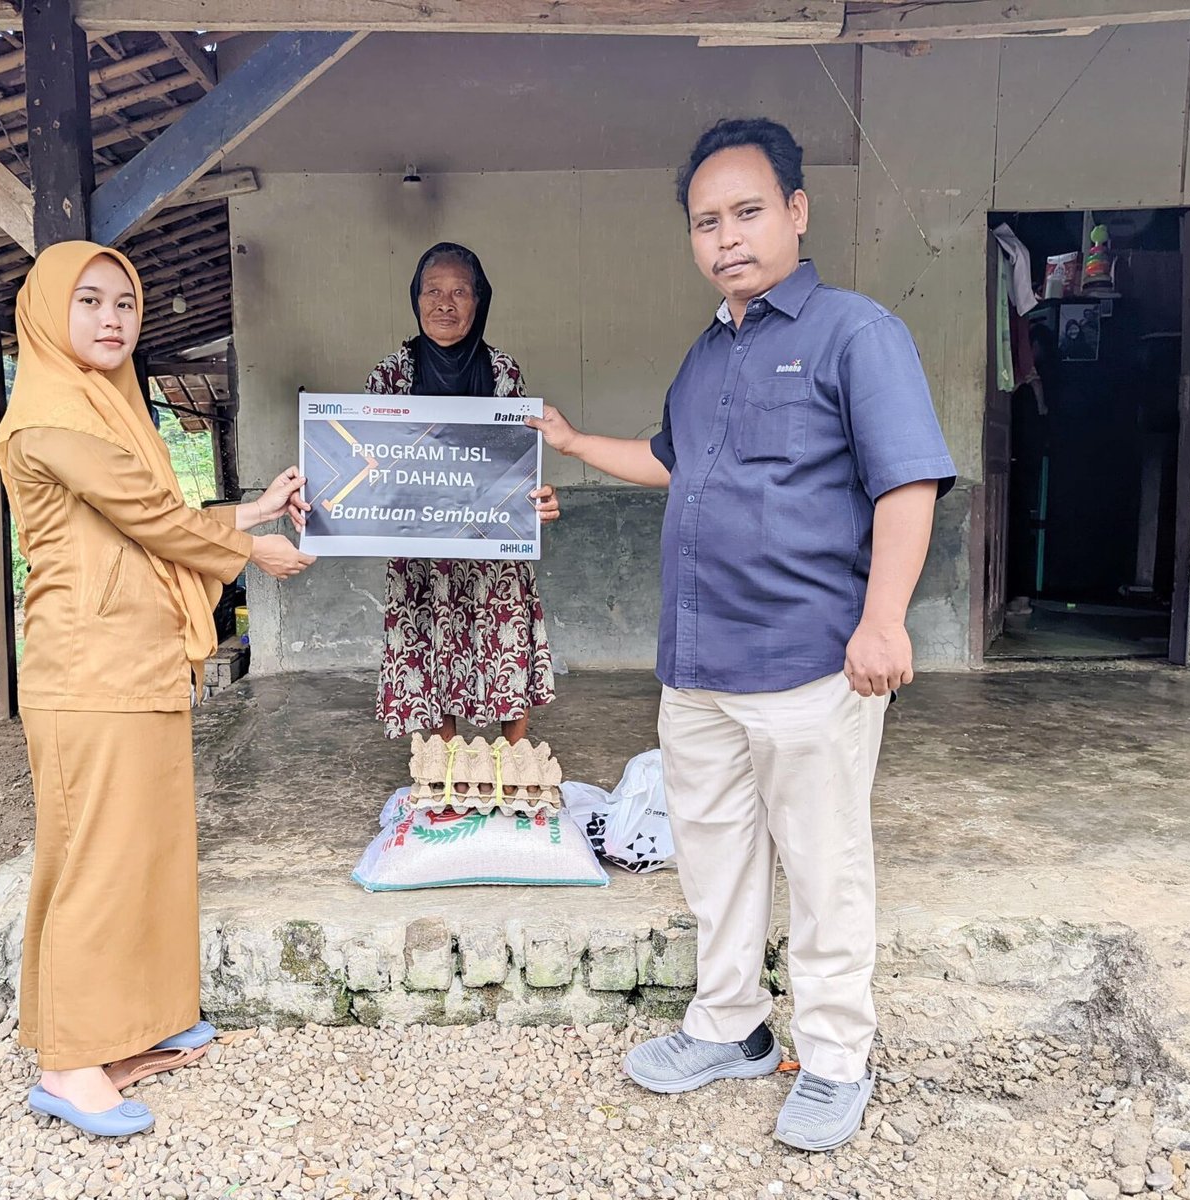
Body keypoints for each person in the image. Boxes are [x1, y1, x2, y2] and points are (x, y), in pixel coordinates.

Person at [529, 118, 955, 1152]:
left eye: (748, 212)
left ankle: (836, 1055)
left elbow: (906, 480)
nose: (726, 237)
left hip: (808, 662)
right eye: (705, 221)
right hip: (699, 668)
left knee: (823, 864)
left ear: (797, 213)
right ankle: (731, 1027)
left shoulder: (857, 333)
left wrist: (883, 620)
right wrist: (573, 442)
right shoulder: (706, 353)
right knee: (714, 858)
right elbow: (672, 459)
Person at [0, 241, 314, 1137]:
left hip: (138, 663)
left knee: (144, 852)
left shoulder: (108, 407)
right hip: (87, 671)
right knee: (95, 861)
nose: (112, 319)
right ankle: (67, 1064)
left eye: (125, 303)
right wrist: (251, 548)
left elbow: (145, 519)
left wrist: (248, 512)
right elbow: (149, 515)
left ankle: (127, 1029)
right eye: (90, 301)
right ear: (48, 312)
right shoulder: (54, 415)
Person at [366, 241, 561, 744]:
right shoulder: (391, 375)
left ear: (480, 301)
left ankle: (513, 760)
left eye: (460, 292)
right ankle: (445, 763)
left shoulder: (502, 372)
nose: (445, 304)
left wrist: (535, 496)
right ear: (416, 298)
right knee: (428, 639)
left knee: (505, 631)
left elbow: (516, 460)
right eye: (432, 291)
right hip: (420, 547)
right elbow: (369, 464)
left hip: (492, 542)